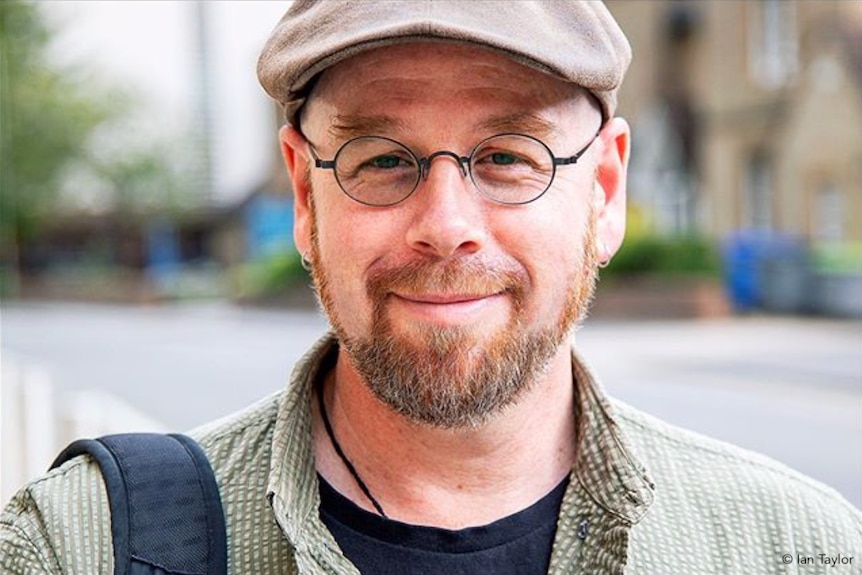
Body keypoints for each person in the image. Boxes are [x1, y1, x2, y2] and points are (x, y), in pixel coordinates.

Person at [2, 2, 860, 574]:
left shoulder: (799, 551)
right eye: (383, 160)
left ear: (604, 193)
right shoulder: (79, 545)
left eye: (507, 157)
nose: (445, 222)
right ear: (305, 196)